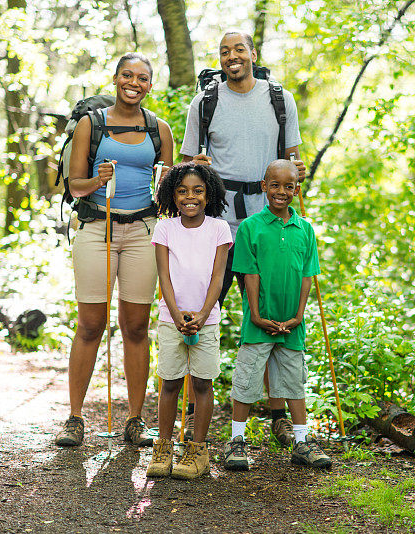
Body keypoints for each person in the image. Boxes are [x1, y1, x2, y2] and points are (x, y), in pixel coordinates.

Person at [180, 30, 305, 446]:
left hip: (268, 219)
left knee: (271, 309)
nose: (232, 57)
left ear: (253, 54)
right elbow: (187, 167)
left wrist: (296, 175)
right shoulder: (206, 101)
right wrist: (195, 166)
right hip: (218, 220)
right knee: (203, 304)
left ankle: (278, 414)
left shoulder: (279, 99)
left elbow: (291, 162)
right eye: (224, 52)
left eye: (239, 50)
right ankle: (194, 408)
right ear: (220, 60)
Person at [55, 52, 174, 447]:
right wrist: (96, 178)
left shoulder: (161, 129)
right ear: (115, 78)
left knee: (137, 327)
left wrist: (185, 173)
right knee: (90, 324)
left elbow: (170, 192)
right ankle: (74, 418)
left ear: (150, 85)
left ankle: (136, 420)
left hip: (143, 230)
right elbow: (74, 186)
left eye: (142, 77)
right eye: (127, 75)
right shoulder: (92, 124)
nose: (134, 83)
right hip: (96, 228)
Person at [223, 160, 331, 470]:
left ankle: (301, 441)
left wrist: (298, 316)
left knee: (294, 382)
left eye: (288, 186)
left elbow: (307, 276)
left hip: (291, 325)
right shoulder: (250, 227)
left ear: (297, 190)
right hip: (259, 324)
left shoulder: (305, 229)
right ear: (264, 186)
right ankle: (237, 441)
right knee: (246, 381)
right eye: (275, 185)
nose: (281, 192)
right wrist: (256, 315)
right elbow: (250, 274)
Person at [146, 163, 231, 479]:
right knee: (169, 382)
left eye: (197, 191)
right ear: (172, 194)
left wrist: (202, 314)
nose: (189, 197)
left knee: (201, 383)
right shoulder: (165, 228)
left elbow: (218, 277)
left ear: (208, 195)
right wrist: (178, 313)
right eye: (182, 191)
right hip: (171, 319)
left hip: (206, 321)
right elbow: (164, 276)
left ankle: (197, 450)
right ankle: (164, 448)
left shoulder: (219, 228)